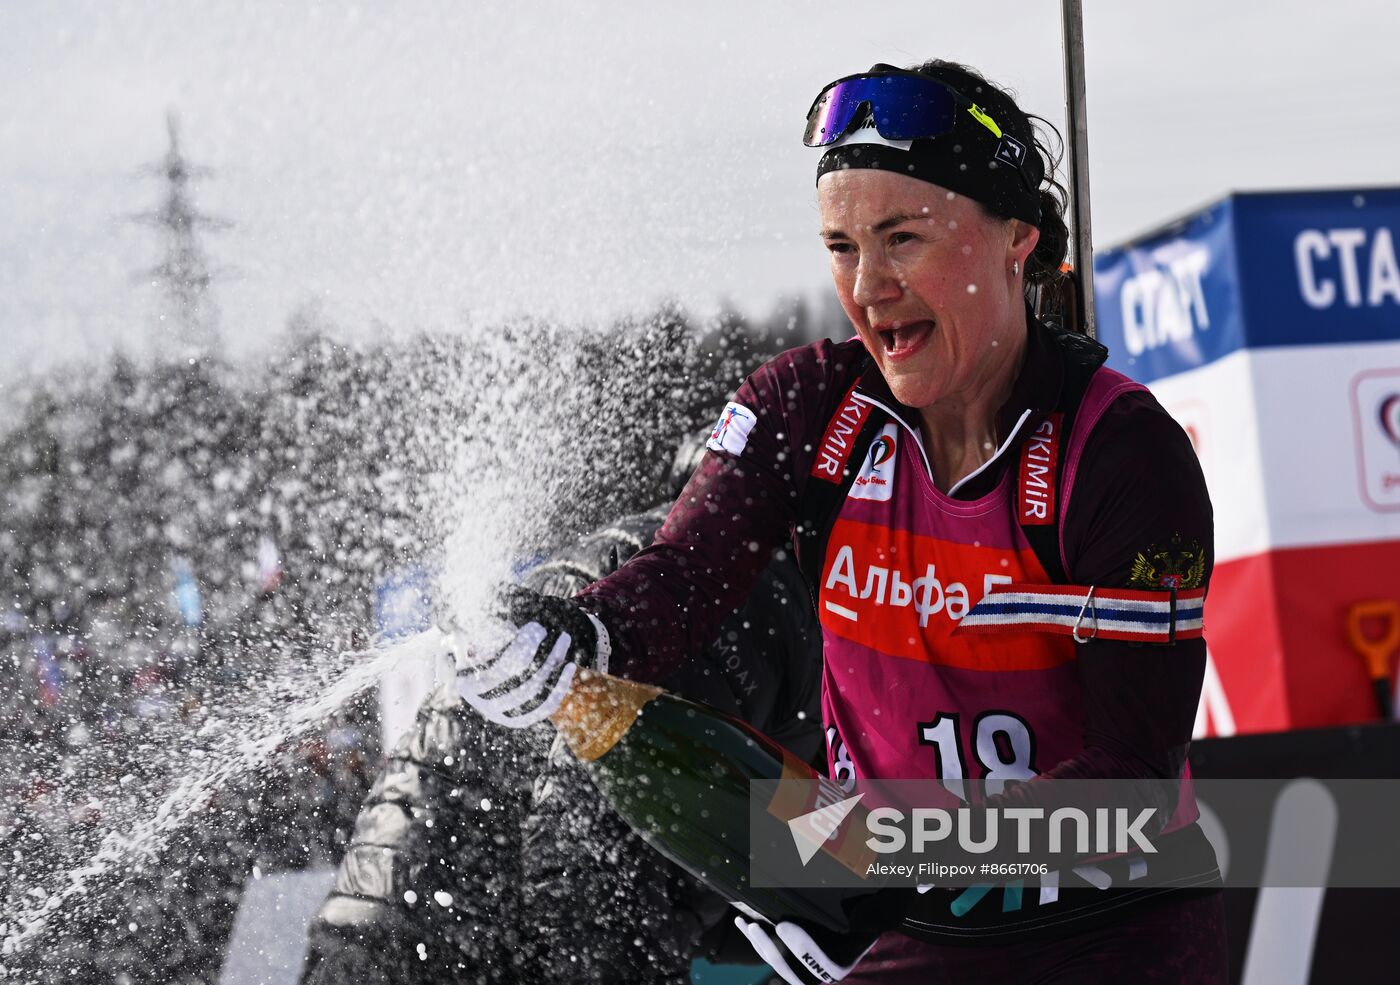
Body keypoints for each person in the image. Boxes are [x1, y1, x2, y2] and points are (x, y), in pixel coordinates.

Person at [460, 60, 1228, 984]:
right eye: (840, 246)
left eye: (902, 238)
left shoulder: (1119, 453)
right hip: (898, 930)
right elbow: (686, 572)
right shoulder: (809, 409)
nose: (868, 285)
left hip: (1107, 937)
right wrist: (581, 629)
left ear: (1016, 236)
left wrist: (894, 867)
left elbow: (1132, 780)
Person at [300, 436, 823, 985]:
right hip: (474, 908)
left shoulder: (685, 562)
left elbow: (734, 874)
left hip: (403, 891)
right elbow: (583, 838)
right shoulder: (750, 592)